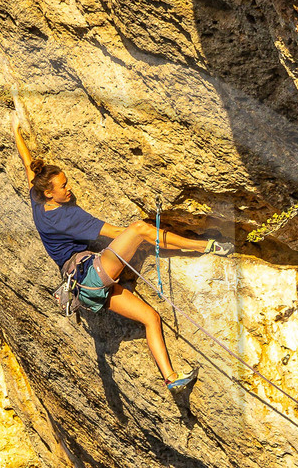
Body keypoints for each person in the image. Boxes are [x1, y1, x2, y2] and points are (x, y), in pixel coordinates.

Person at [13, 118, 231, 404]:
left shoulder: (38, 200)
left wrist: (17, 132)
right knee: (139, 229)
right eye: (63, 186)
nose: (69, 189)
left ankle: (171, 380)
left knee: (151, 318)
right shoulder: (67, 215)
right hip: (91, 274)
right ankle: (206, 246)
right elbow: (116, 233)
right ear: (50, 192)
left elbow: (28, 165)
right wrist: (142, 233)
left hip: (87, 291)